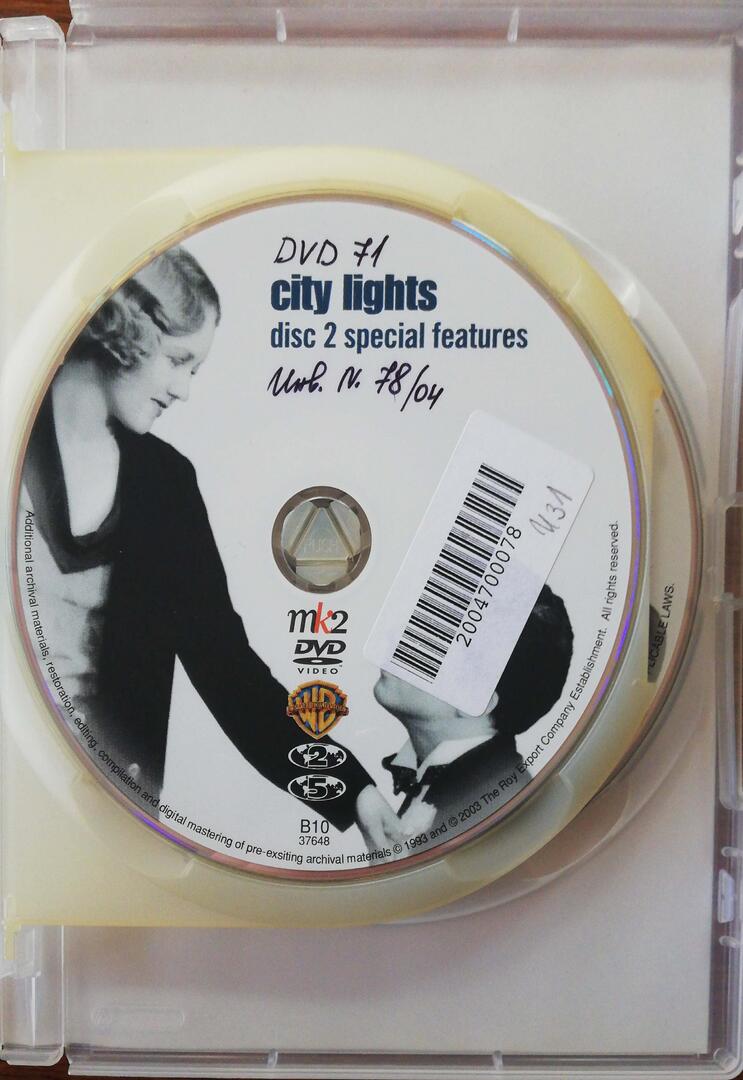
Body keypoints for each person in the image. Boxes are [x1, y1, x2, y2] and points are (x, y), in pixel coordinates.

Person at [20, 246, 400, 848]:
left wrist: (350, 788)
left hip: (101, 822)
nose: (184, 391)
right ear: (125, 328)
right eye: (178, 361)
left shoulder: (166, 486)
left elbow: (227, 669)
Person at [373, 584, 574, 835]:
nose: (396, 639)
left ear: (476, 700)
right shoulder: (463, 780)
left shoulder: (504, 809)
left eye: (432, 643)